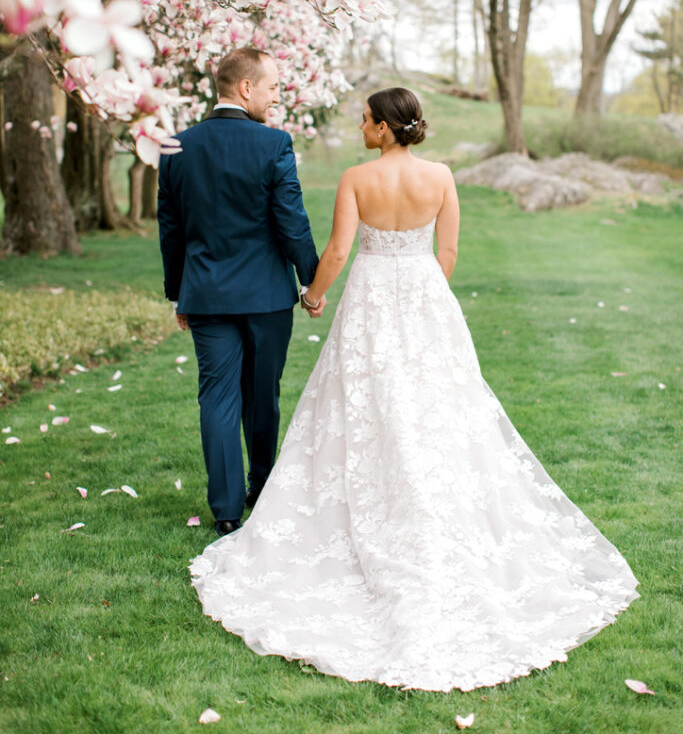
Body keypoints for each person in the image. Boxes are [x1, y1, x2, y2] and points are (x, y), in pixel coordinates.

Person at [189, 87, 639, 692]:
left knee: (364, 405)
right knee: (436, 409)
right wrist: (424, 296)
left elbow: (342, 250)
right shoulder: (442, 177)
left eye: (365, 119)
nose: (360, 124)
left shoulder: (356, 179)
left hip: (371, 301)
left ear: (382, 129)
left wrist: (314, 294)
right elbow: (447, 250)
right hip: (426, 301)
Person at [158, 47, 320, 536]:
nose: (276, 97)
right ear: (246, 88)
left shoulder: (176, 146)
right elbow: (291, 220)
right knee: (262, 395)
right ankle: (263, 485)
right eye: (272, 87)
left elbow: (171, 228)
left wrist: (177, 293)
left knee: (217, 398)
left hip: (205, 295)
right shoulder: (274, 144)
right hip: (268, 297)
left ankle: (226, 510)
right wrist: (311, 277)